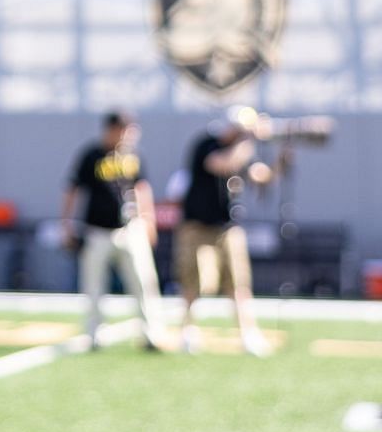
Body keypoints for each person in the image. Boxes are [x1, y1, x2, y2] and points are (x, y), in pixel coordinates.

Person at [60, 110, 169, 351]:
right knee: (94, 285)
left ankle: (151, 333)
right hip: (97, 231)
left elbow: (141, 188)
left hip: (130, 228)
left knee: (144, 282)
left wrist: (148, 219)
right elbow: (73, 188)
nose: (128, 135)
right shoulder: (92, 155)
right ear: (111, 129)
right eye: (124, 129)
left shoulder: (133, 155)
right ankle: (94, 334)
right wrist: (66, 223)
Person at [174, 105, 273, 356]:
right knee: (191, 281)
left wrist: (281, 158)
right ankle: (187, 331)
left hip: (226, 226)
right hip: (196, 225)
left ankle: (247, 333)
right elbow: (223, 164)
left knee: (238, 283)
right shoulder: (206, 144)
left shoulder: (241, 150)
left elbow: (260, 176)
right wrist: (250, 140)